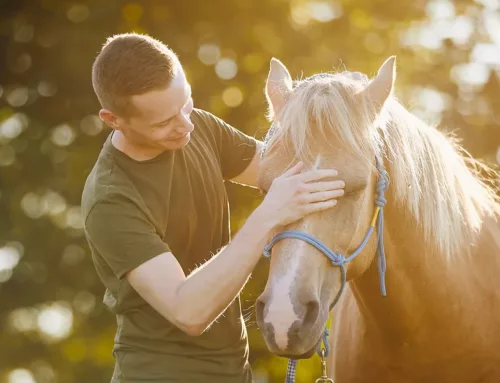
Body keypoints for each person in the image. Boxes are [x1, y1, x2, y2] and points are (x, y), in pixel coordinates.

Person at [81, 32, 345, 383]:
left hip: (236, 373)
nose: (185, 125)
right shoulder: (111, 199)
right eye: (164, 122)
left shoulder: (198, 127)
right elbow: (189, 311)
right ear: (113, 119)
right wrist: (268, 216)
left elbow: (286, 173)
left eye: (186, 104)